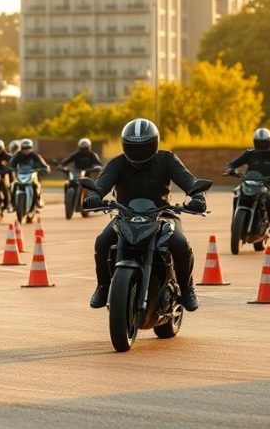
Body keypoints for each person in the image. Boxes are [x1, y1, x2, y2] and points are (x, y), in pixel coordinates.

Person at [84, 118, 206, 311]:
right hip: (125, 215)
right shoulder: (118, 163)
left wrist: (198, 196)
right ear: (125, 145)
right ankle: (103, 286)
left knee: (181, 244)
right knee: (103, 241)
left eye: (144, 147)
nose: (138, 152)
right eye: (133, 147)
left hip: (164, 215)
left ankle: (187, 289)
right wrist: (94, 195)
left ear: (155, 143)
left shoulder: (167, 159)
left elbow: (189, 180)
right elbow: (102, 182)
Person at [224, 128, 270, 236]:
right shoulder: (249, 153)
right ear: (255, 142)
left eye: (264, 142)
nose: (262, 145)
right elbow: (233, 163)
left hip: (268, 185)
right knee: (237, 195)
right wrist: (230, 168)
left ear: (269, 142)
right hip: (250, 182)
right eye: (259, 142)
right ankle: (235, 222)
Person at [10, 138, 51, 210]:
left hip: (32, 174)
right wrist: (10, 168)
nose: (26, 150)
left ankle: (38, 199)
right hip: (21, 174)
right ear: (21, 148)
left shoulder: (35, 155)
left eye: (28, 148)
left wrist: (45, 168)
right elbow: (11, 164)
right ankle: (13, 204)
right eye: (24, 148)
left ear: (31, 148)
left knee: (37, 184)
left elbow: (43, 164)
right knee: (14, 185)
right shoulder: (18, 155)